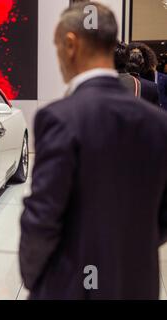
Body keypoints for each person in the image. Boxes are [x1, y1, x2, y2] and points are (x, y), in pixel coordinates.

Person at [19, 2, 167, 299]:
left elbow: (43, 217)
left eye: (58, 46)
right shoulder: (158, 122)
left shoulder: (60, 117)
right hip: (138, 284)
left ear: (71, 44)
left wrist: (35, 279)